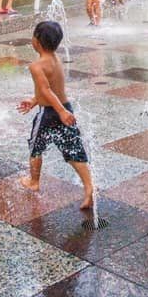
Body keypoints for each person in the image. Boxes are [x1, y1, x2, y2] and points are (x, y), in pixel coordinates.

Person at [17, 21, 93, 210]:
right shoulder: (56, 59)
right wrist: (35, 100)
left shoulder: (36, 66)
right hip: (66, 108)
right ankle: (89, 187)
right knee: (73, 148)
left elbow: (46, 90)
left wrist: (56, 110)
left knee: (35, 147)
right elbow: (53, 88)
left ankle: (33, 181)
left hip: (50, 113)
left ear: (37, 41)